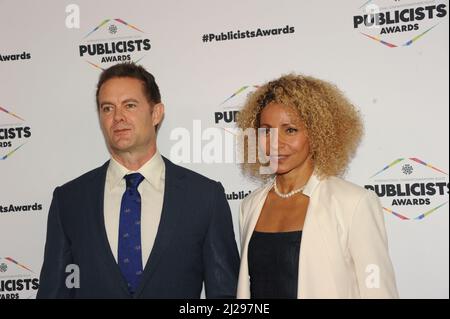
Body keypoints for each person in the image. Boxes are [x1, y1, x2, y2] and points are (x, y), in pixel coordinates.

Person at [37, 62, 239, 298]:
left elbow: (226, 296)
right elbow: (55, 292)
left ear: (156, 113)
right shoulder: (69, 200)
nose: (118, 117)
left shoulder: (204, 197)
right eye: (107, 108)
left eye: (129, 105)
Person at [235, 74, 398, 298]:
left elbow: (378, 290)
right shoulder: (250, 205)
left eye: (290, 130)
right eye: (266, 131)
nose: (274, 143)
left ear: (318, 134)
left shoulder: (353, 203)